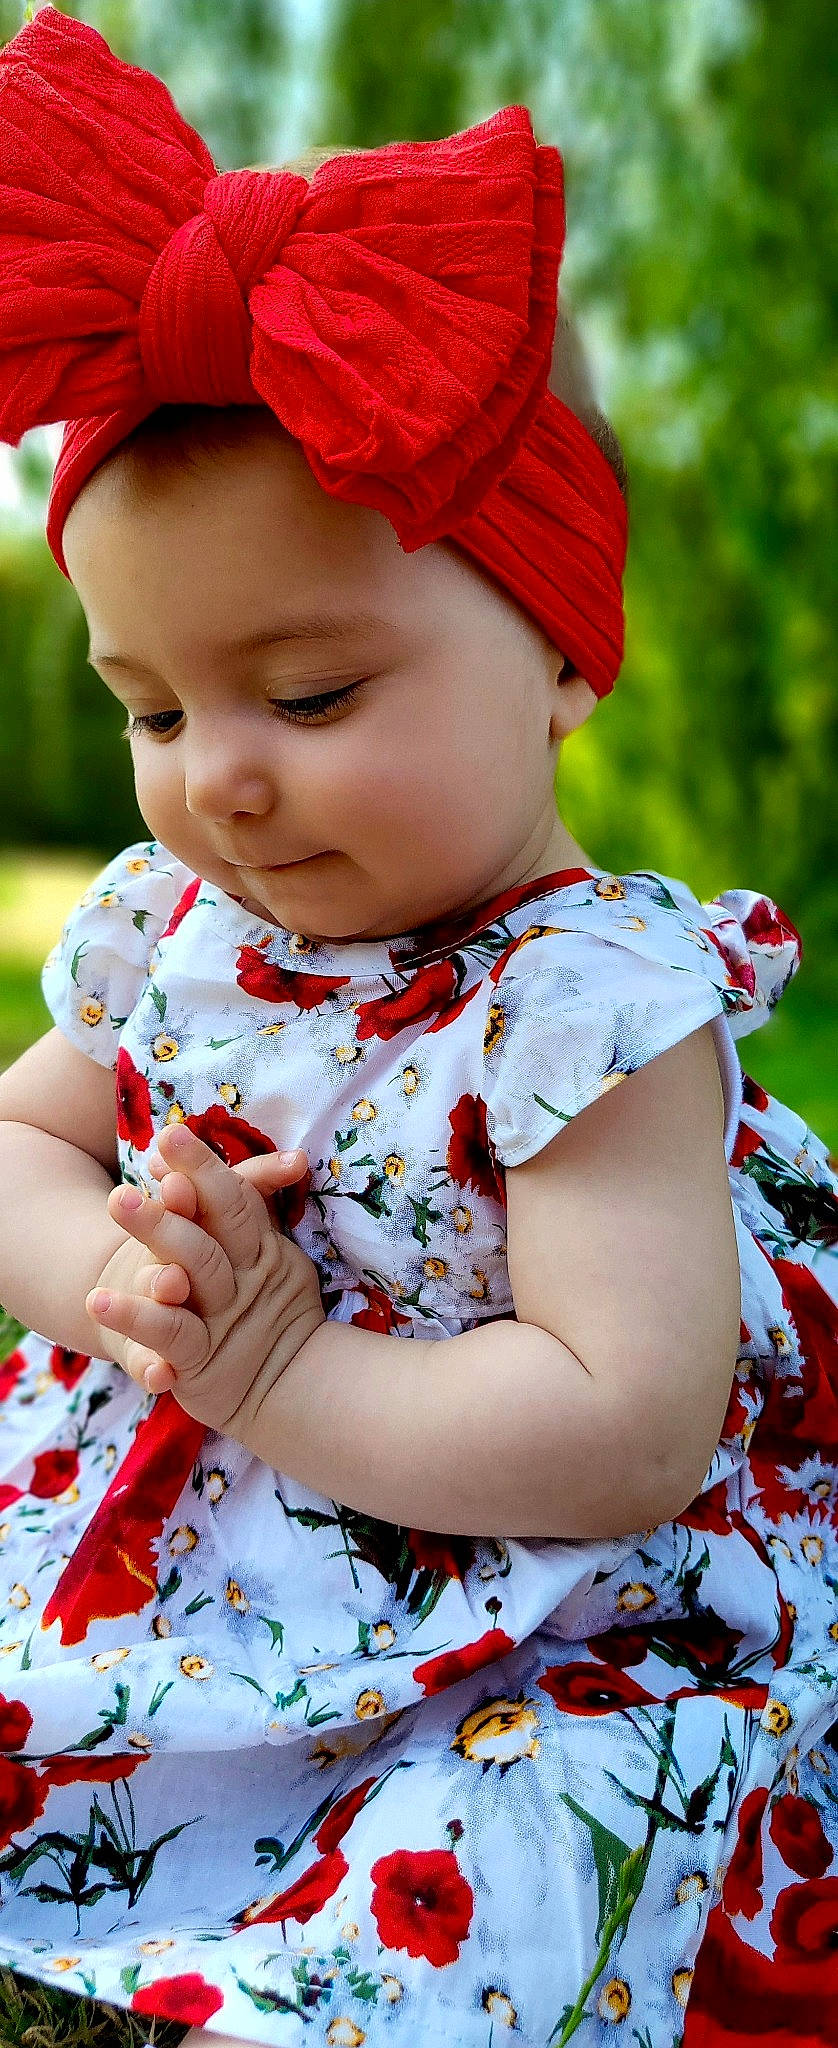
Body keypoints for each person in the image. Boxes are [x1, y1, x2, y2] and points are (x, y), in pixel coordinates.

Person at [0, 8, 837, 2046]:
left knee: (500, 1856)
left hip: (530, 1605)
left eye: (305, 696)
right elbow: (18, 1143)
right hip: (195, 1536)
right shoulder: (167, 931)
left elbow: (621, 1432)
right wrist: (117, 1280)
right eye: (155, 708)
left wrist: (281, 1356)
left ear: (555, 652)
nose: (222, 783)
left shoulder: (591, 1011)